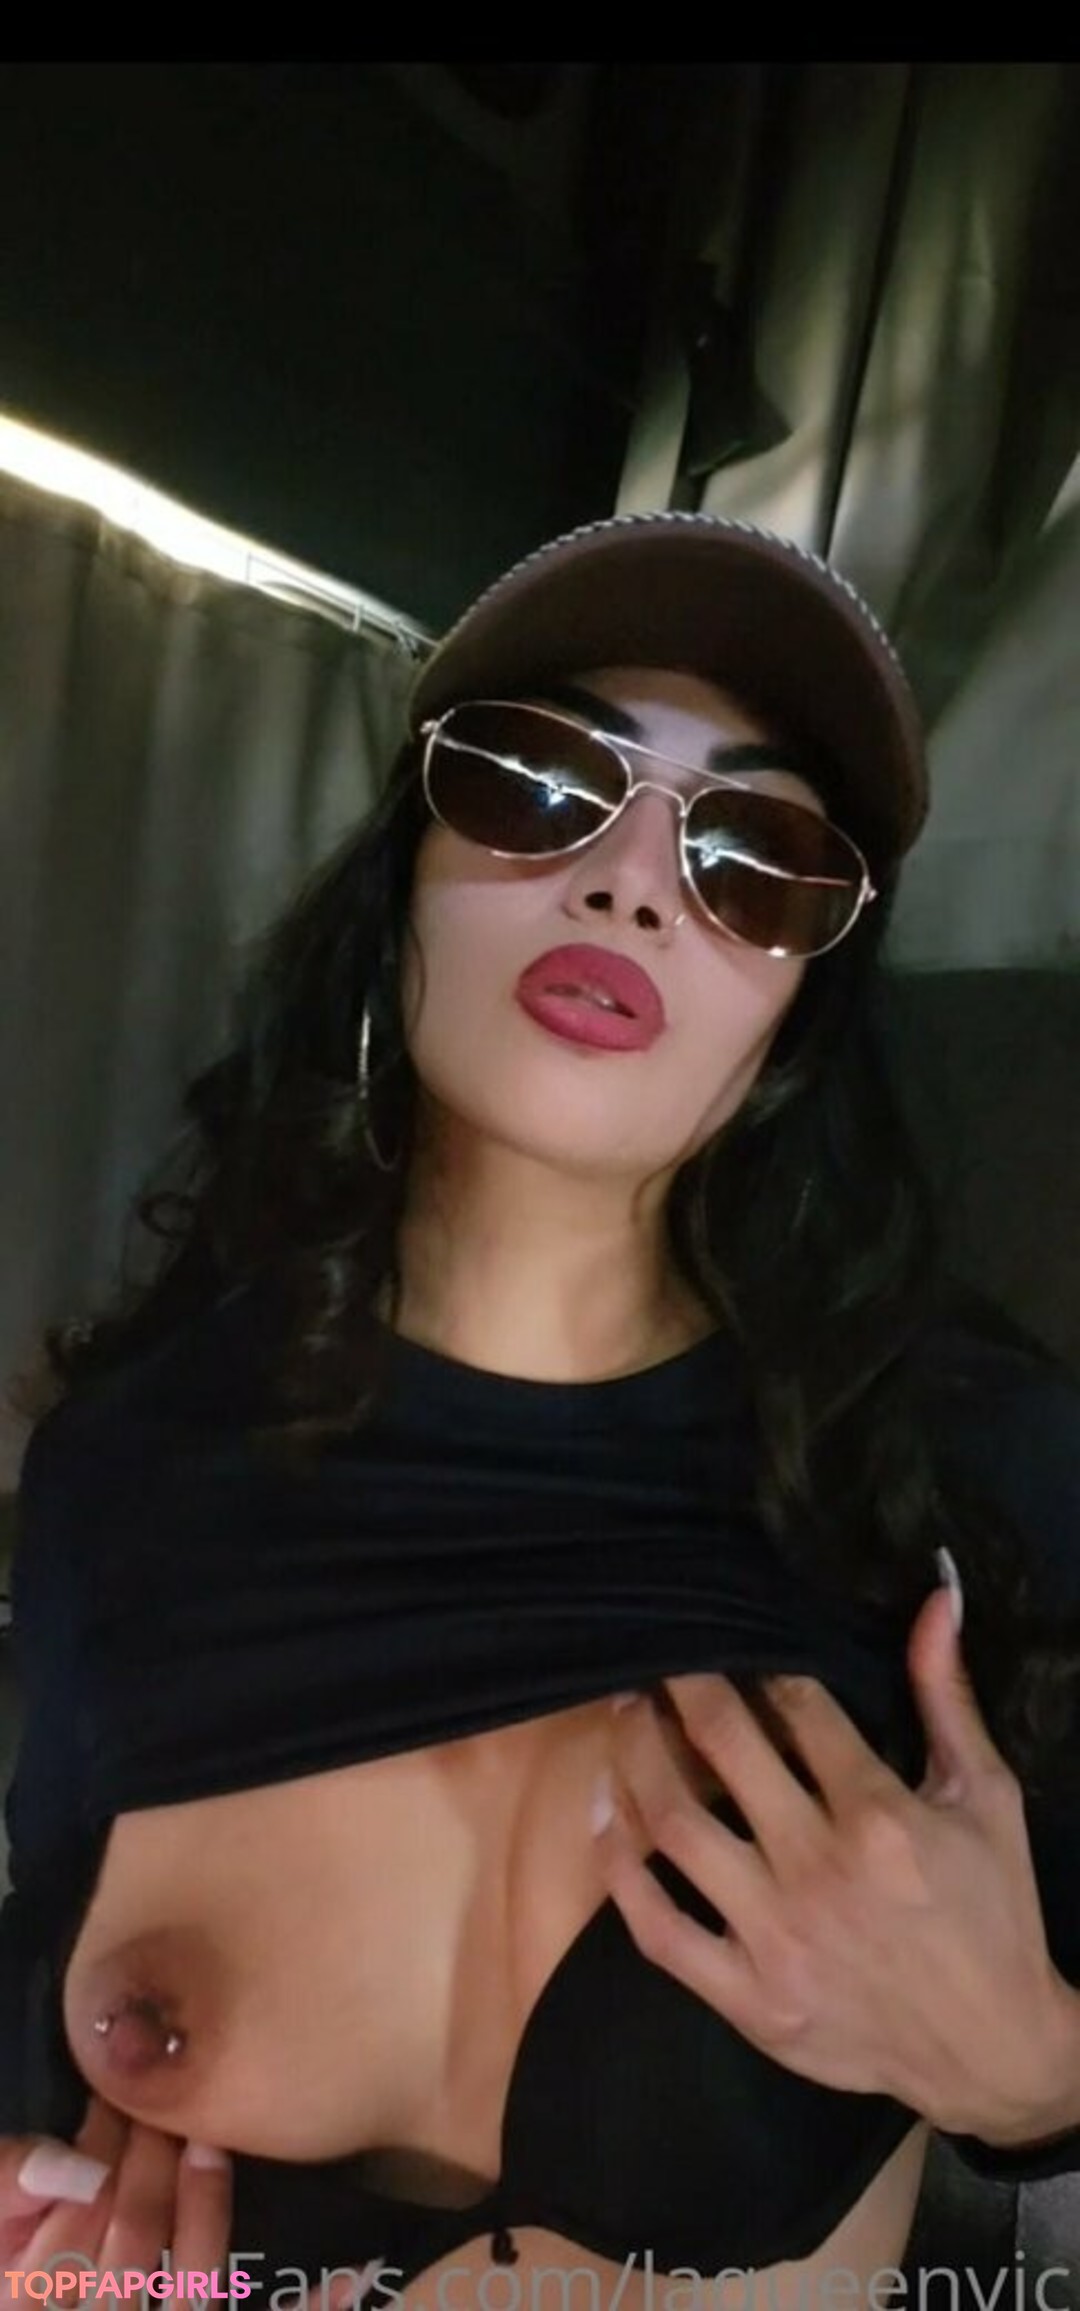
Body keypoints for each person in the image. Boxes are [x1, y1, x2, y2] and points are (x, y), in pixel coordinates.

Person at [3, 512, 1080, 2309]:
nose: (634, 880)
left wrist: (1039, 2078)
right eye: (540, 782)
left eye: (756, 858)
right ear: (402, 877)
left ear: (797, 1016)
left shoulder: (970, 1476)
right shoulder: (125, 1472)